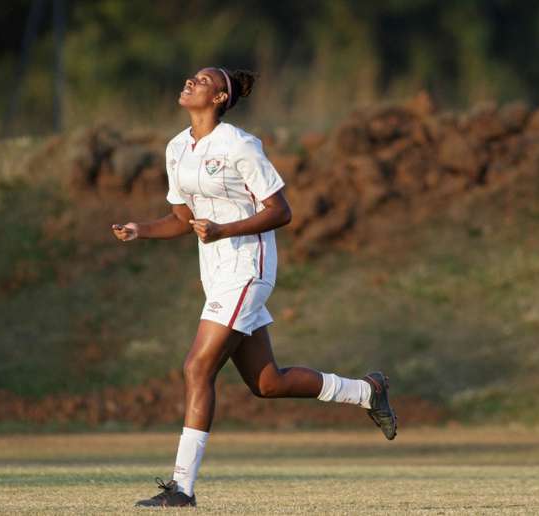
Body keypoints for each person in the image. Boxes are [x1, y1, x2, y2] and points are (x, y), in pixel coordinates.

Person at [112, 67, 397, 509]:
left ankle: (182, 488)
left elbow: (281, 211)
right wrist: (140, 230)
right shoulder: (176, 148)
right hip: (217, 275)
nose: (190, 81)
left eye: (203, 80)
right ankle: (366, 391)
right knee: (267, 383)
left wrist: (226, 229)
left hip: (248, 269)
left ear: (221, 97)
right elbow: (182, 221)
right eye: (191, 77)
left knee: (196, 369)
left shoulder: (240, 146)